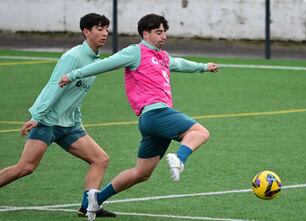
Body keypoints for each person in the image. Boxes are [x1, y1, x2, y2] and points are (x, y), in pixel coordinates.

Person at [59, 13, 219, 220]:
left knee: (141, 173)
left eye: (164, 33)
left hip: (151, 121)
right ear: (146, 34)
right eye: (158, 32)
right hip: (156, 113)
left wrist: (203, 67)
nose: (163, 37)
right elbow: (105, 64)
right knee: (200, 132)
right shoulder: (135, 52)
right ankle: (179, 158)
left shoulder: (162, 56)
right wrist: (73, 75)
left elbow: (179, 63)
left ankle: (95, 200)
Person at [0, 13, 116, 218]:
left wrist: (77, 122)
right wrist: (37, 116)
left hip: (69, 125)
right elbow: (54, 87)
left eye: (106, 29)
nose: (105, 33)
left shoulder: (94, 60)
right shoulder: (73, 57)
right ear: (86, 31)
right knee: (26, 167)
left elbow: (75, 96)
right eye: (100, 29)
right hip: (47, 122)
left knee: (100, 159)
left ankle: (88, 207)